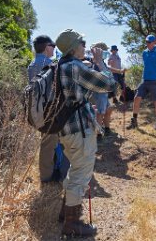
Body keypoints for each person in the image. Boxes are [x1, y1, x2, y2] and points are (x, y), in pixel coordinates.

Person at [55, 29, 115, 237]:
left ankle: (65, 212)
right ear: (73, 47)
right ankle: (72, 224)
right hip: (79, 129)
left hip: (65, 129)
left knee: (75, 168)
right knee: (81, 174)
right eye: (82, 42)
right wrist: (100, 62)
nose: (85, 46)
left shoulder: (60, 66)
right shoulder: (75, 67)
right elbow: (109, 84)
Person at [27, 35, 60, 183]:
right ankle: (47, 177)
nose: (54, 48)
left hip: (38, 109)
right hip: (49, 108)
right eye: (53, 45)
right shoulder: (50, 64)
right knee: (49, 143)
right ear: (47, 47)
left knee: (48, 141)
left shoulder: (33, 63)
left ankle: (51, 170)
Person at [126, 34, 156, 130]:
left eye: (149, 42)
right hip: (144, 80)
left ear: (154, 42)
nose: (147, 44)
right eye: (146, 42)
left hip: (155, 81)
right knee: (137, 98)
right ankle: (134, 121)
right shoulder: (144, 52)